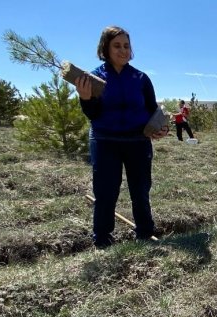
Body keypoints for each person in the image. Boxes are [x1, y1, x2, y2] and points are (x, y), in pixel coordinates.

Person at [74, 26, 168, 248]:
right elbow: (93, 114)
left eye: (126, 46)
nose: (123, 50)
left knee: (140, 190)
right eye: (117, 45)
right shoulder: (94, 78)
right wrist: (85, 99)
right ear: (105, 47)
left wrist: (160, 129)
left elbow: (153, 111)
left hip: (138, 142)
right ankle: (102, 241)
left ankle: (145, 234)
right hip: (105, 141)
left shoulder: (141, 78)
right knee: (105, 192)